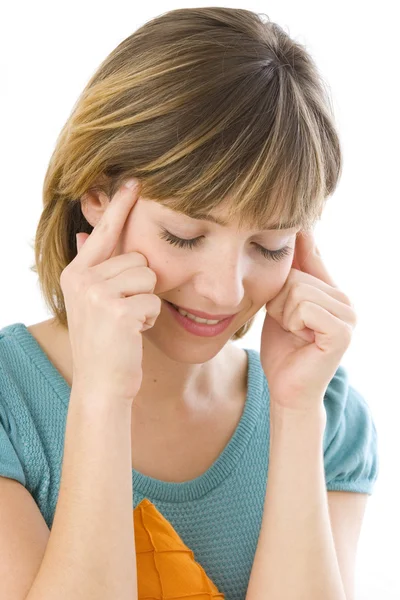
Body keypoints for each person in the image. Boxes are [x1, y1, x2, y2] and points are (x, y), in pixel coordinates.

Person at [0, 7, 378, 600]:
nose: (226, 291)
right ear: (96, 195)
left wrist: (297, 415)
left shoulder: (330, 418)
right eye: (183, 235)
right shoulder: (8, 402)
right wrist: (101, 397)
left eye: (270, 244)